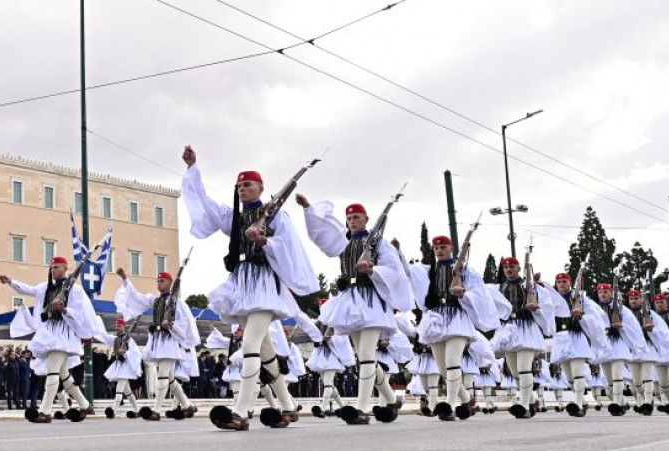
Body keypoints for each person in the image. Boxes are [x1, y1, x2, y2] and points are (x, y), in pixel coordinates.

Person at [181, 146, 318, 430]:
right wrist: (193, 169)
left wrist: (266, 240)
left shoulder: (275, 216)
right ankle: (289, 405)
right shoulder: (235, 216)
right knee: (265, 350)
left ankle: (241, 411)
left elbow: (290, 247)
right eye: (240, 186)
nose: (243, 190)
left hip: (264, 285)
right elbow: (205, 203)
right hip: (242, 284)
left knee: (250, 344)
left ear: (261, 188)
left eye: (248, 185)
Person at [297, 195, 411, 425]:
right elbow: (323, 233)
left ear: (366, 219)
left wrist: (372, 271)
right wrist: (309, 208)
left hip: (370, 300)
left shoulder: (378, 242)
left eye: (356, 217)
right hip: (350, 300)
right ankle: (390, 400)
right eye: (349, 218)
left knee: (367, 355)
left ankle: (361, 407)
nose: (352, 221)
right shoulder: (343, 241)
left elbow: (393, 270)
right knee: (364, 356)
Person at [401, 234, 497, 422]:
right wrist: (399, 252)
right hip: (436, 320)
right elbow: (408, 273)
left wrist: (464, 294)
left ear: (451, 248)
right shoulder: (429, 271)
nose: (439, 250)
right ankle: (468, 400)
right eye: (436, 248)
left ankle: (450, 406)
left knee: (453, 362)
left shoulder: (466, 271)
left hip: (457, 319)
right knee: (443, 369)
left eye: (443, 247)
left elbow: (480, 294)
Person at [3, 255, 103, 423]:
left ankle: (46, 411)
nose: (53, 270)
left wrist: (65, 310)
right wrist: (11, 282)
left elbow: (81, 312)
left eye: (57, 267)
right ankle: (85, 405)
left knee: (52, 371)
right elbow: (28, 290)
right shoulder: (45, 287)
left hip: (63, 334)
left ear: (65, 268)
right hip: (49, 333)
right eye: (52, 267)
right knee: (64, 375)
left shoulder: (75, 290)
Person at [115, 268, 198, 420]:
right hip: (159, 341)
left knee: (162, 376)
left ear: (170, 283)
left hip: (170, 342)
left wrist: (171, 325)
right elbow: (136, 297)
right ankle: (188, 406)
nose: (159, 284)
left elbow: (186, 322)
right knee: (170, 379)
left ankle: (157, 410)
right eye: (158, 281)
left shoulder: (177, 302)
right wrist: (125, 278)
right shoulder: (155, 300)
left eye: (162, 281)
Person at [487, 256, 556, 419]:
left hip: (526, 328)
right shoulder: (499, 288)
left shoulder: (532, 287)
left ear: (519, 268)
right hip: (509, 329)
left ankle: (524, 405)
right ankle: (532, 400)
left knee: (524, 368)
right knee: (515, 372)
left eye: (512, 266)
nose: (508, 269)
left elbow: (547, 307)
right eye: (506, 267)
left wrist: (536, 309)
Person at [549, 272, 607, 417]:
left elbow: (597, 316)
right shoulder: (552, 299)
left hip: (577, 337)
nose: (562, 284)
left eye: (564, 281)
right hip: (561, 338)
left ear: (570, 283)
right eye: (559, 282)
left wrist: (582, 316)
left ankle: (579, 404)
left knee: (577, 374)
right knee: (569, 377)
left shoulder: (581, 298)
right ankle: (582, 401)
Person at [592, 283, 645, 416]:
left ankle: (616, 403)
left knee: (617, 377)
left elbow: (633, 326)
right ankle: (622, 402)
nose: (603, 294)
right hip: (603, 345)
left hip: (618, 344)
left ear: (611, 293)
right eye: (600, 292)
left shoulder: (622, 309)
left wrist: (620, 326)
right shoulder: (594, 308)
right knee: (609, 381)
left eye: (605, 292)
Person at [103, 317, 143, 419]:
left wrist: (125, 352)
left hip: (125, 366)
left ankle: (114, 411)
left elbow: (136, 353)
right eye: (116, 325)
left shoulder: (129, 339)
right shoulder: (115, 339)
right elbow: (105, 336)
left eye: (119, 325)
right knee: (128, 392)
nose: (117, 327)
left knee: (119, 389)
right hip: (118, 365)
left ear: (124, 326)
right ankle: (137, 410)